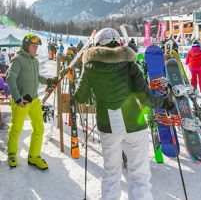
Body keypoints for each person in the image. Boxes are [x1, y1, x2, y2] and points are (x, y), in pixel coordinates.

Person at [74, 28, 173, 200]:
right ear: (118, 42)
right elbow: (146, 98)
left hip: (108, 126)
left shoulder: (90, 66)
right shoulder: (129, 64)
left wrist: (95, 96)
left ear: (97, 44)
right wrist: (165, 103)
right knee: (140, 175)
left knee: (111, 173)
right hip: (134, 124)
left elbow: (80, 96)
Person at [6, 34, 56, 170]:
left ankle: (34, 156)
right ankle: (11, 153)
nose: (35, 48)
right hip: (21, 101)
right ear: (26, 45)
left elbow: (37, 77)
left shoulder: (34, 61)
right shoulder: (18, 60)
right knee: (16, 129)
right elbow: (10, 79)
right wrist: (17, 98)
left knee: (39, 128)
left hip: (34, 100)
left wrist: (49, 81)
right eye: (33, 46)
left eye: (37, 46)